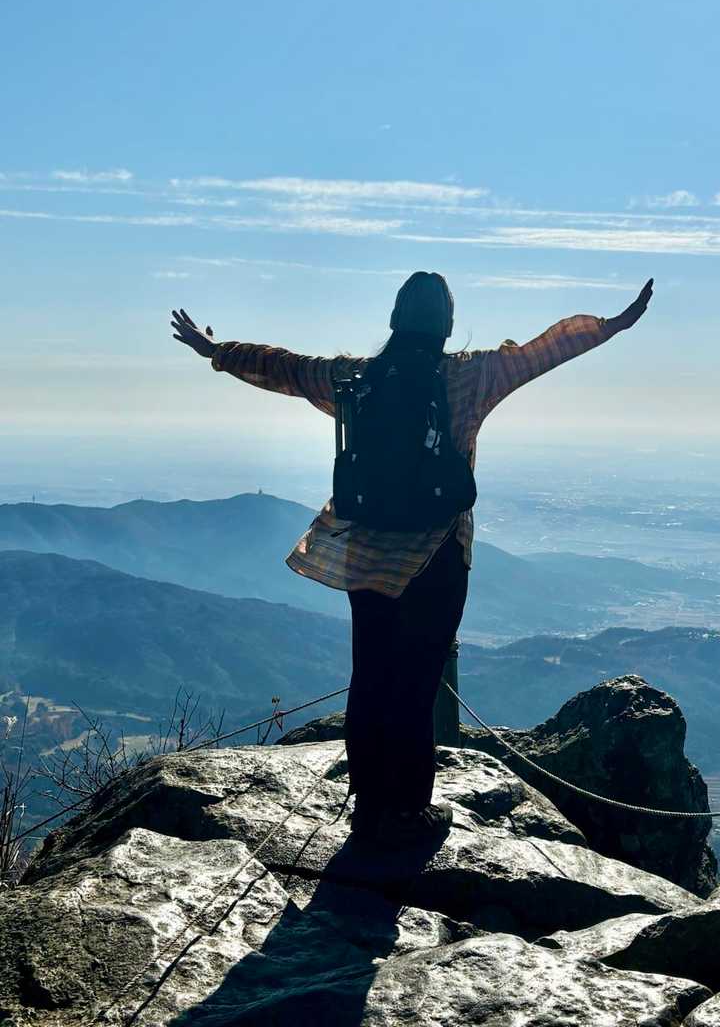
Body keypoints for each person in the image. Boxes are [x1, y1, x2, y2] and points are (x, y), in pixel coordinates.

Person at [170, 271, 653, 847]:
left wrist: (215, 350)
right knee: (417, 684)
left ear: (394, 320)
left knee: (371, 676)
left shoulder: (355, 377)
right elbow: (544, 351)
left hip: (367, 553)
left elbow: (284, 367)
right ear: (447, 325)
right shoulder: (471, 375)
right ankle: (407, 813)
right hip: (437, 555)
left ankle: (369, 808)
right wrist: (611, 325)